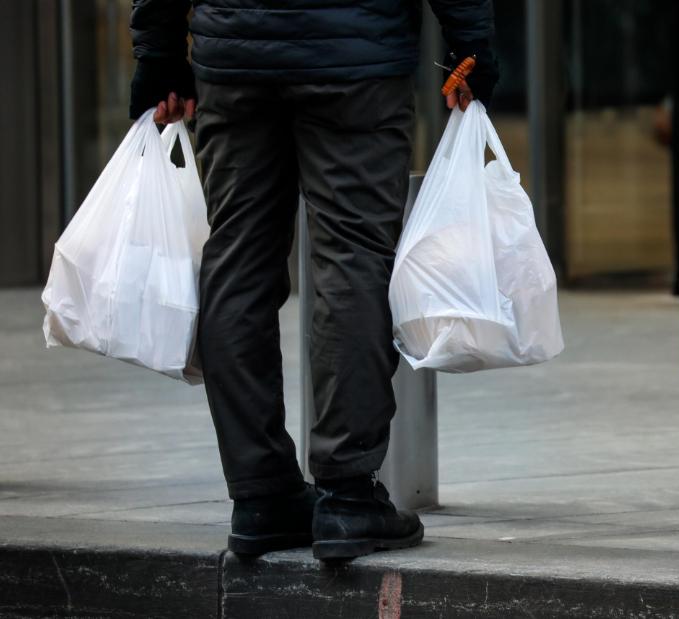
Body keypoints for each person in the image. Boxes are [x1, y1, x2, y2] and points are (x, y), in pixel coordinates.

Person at [128, 0, 498, 562]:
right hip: (356, 57)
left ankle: (261, 495)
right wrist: (471, 44)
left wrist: (157, 52)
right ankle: (348, 497)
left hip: (234, 58)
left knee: (238, 263)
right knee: (352, 258)